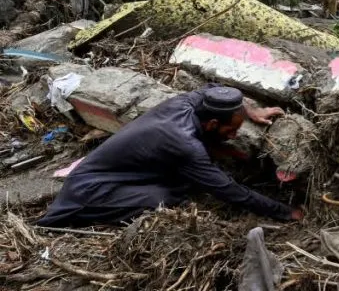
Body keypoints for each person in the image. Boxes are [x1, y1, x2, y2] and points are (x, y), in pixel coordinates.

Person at [37, 86, 301, 228]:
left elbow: (217, 89)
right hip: (90, 192)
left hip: (110, 174)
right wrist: (284, 211)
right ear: (210, 124)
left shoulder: (189, 102)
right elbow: (229, 190)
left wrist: (252, 111)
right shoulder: (184, 144)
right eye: (231, 130)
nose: (234, 135)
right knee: (167, 198)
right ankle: (93, 216)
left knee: (183, 181)